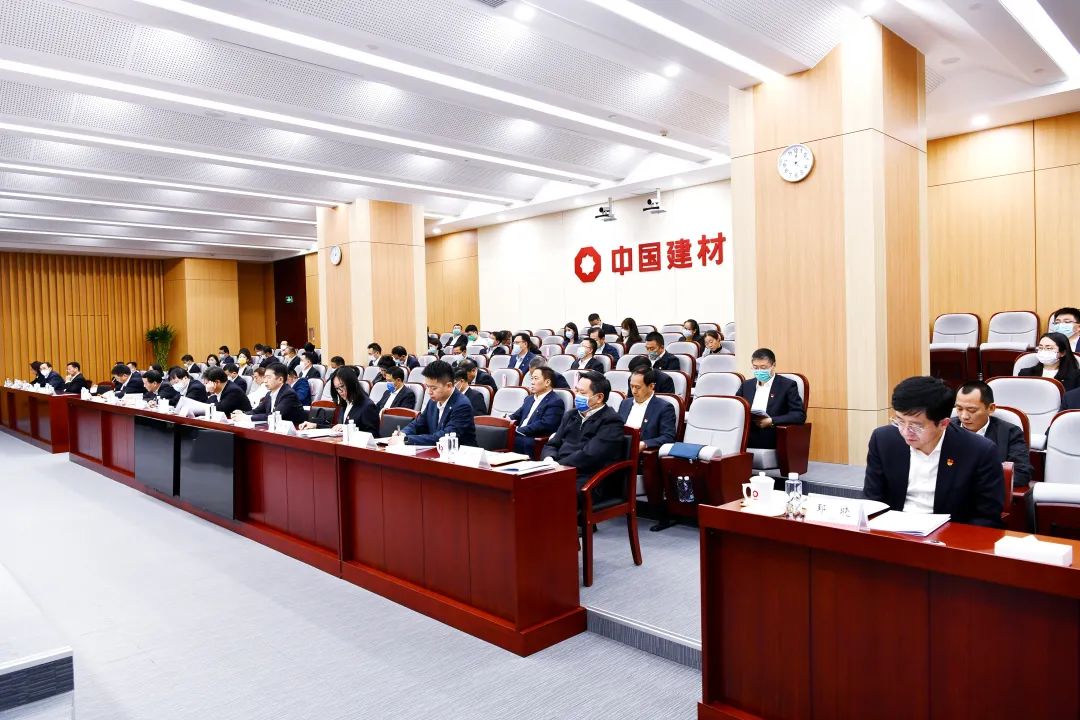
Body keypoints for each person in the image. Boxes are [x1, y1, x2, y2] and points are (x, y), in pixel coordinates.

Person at [864, 376, 1004, 527]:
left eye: (916, 426)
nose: (905, 431)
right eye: (900, 421)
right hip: (892, 532)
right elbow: (872, 502)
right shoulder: (883, 440)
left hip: (949, 535)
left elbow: (987, 517)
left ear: (943, 423)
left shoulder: (979, 451)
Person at [542, 371, 625, 487]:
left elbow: (590, 456)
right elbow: (552, 444)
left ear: (599, 397)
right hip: (559, 469)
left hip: (588, 476)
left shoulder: (611, 421)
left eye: (582, 393)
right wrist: (549, 459)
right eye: (576, 391)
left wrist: (558, 465)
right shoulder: (571, 415)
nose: (577, 396)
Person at [620, 368, 678, 530]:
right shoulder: (625, 403)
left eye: (638, 387)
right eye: (631, 386)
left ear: (651, 386)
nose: (633, 391)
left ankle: (661, 515)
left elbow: (668, 437)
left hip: (643, 455)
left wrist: (644, 444)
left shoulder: (663, 407)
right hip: (621, 451)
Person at [952, 380, 1032, 487]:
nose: (964, 416)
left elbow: (1021, 474)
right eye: (959, 409)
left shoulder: (1010, 432)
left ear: (991, 408)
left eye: (972, 410)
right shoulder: (945, 428)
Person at [391, 360, 477, 446]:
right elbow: (418, 423)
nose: (429, 392)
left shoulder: (462, 405)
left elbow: (444, 437)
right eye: (427, 387)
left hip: (459, 452)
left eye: (434, 388)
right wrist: (403, 433)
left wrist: (406, 439)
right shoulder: (433, 401)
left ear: (449, 386)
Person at [734, 348, 805, 448]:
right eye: (755, 367)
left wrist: (771, 421)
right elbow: (736, 408)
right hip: (746, 432)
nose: (759, 371)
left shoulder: (787, 385)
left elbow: (799, 415)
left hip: (771, 433)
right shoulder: (746, 385)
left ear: (773, 365)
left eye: (763, 368)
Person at [299, 367, 378, 434]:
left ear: (351, 384)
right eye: (337, 388)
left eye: (342, 386)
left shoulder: (367, 406)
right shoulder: (345, 403)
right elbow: (338, 428)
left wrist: (347, 429)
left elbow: (373, 435)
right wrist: (315, 426)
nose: (340, 391)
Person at [509, 367, 565, 455]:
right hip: (519, 434)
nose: (532, 382)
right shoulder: (529, 399)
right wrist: (505, 421)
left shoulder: (555, 401)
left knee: (509, 440)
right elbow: (516, 415)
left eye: (536, 378)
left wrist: (518, 431)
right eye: (532, 378)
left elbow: (545, 425)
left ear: (547, 382)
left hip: (533, 438)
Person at [241, 363, 308, 425]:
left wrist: (248, 417)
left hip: (294, 430)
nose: (265, 381)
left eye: (269, 377)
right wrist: (242, 414)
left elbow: (274, 416)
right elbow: (256, 411)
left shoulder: (289, 394)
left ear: (280, 379)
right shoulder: (269, 394)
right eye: (265, 377)